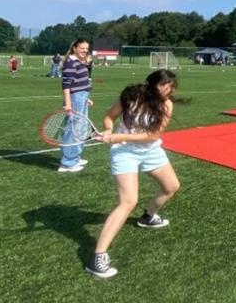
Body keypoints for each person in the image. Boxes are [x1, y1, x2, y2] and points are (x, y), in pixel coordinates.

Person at [85, 69, 180, 278]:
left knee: (171, 187)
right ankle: (97, 257)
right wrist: (109, 130)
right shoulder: (130, 96)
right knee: (128, 201)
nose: (168, 90)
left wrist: (119, 136)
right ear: (151, 84)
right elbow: (109, 117)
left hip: (150, 150)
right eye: (165, 86)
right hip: (124, 153)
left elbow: (153, 135)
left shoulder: (167, 104)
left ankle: (148, 217)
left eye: (171, 87)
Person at [59, 39, 92, 173]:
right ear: (74, 48)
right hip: (74, 99)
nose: (84, 51)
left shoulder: (79, 62)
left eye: (86, 49)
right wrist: (68, 104)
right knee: (73, 129)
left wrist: (87, 99)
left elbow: (80, 83)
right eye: (82, 48)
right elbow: (66, 86)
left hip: (81, 97)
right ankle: (67, 163)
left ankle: (75, 157)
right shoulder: (70, 63)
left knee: (80, 128)